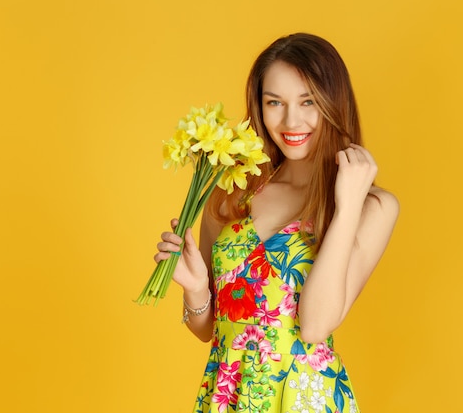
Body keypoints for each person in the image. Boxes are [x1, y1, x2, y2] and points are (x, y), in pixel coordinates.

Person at [154, 33, 399, 413]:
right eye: (275, 103)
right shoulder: (231, 191)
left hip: (304, 399)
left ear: (334, 103)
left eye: (308, 102)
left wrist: (347, 204)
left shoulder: (371, 207)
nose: (291, 121)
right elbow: (209, 331)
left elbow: (316, 326)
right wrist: (196, 288)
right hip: (227, 395)